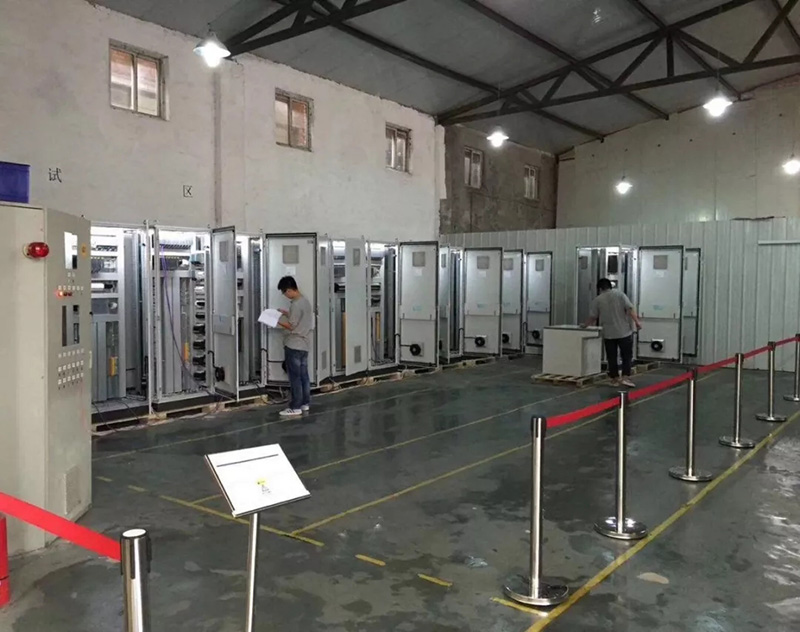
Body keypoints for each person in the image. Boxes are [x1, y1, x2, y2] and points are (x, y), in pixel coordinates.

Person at [582, 278, 642, 387]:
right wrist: (637, 322)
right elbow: (630, 308)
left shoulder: (597, 300)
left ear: (600, 288)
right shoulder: (620, 295)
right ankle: (625, 377)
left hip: (609, 333)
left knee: (611, 357)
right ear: (610, 286)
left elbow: (593, 316)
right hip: (624, 331)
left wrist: (585, 325)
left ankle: (615, 379)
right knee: (626, 356)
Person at [276, 276, 314, 417]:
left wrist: (276, 320)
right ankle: (305, 403)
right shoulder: (305, 301)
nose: (285, 296)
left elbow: (292, 326)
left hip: (294, 344)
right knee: (304, 376)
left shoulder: (296, 304)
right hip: (304, 344)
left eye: (284, 292)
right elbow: (300, 318)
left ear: (289, 290)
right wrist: (286, 313)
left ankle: (295, 406)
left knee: (295, 378)